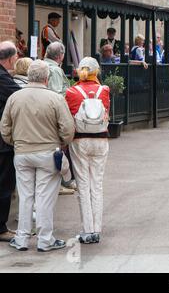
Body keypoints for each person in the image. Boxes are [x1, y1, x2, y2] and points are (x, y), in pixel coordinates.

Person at [1, 59, 75, 252]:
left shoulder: (14, 97)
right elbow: (68, 129)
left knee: (25, 197)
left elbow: (5, 127)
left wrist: (15, 142)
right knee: (44, 197)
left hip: (22, 152)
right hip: (47, 152)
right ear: (46, 77)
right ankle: (45, 239)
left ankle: (22, 238)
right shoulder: (55, 99)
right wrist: (61, 141)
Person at [65, 57, 110, 244]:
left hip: (79, 141)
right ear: (96, 72)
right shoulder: (104, 90)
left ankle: (87, 230)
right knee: (97, 184)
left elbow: (68, 119)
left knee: (82, 184)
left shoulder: (71, 91)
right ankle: (97, 229)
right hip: (100, 140)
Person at [44, 42, 75, 195]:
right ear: (60, 55)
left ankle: (62, 182)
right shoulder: (55, 70)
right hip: (54, 115)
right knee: (58, 149)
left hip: (44, 115)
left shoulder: (44, 65)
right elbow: (56, 94)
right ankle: (59, 183)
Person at [0, 41, 20, 243]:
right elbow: (20, 95)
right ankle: (0, 229)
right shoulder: (3, 78)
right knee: (4, 185)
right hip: (2, 143)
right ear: (10, 58)